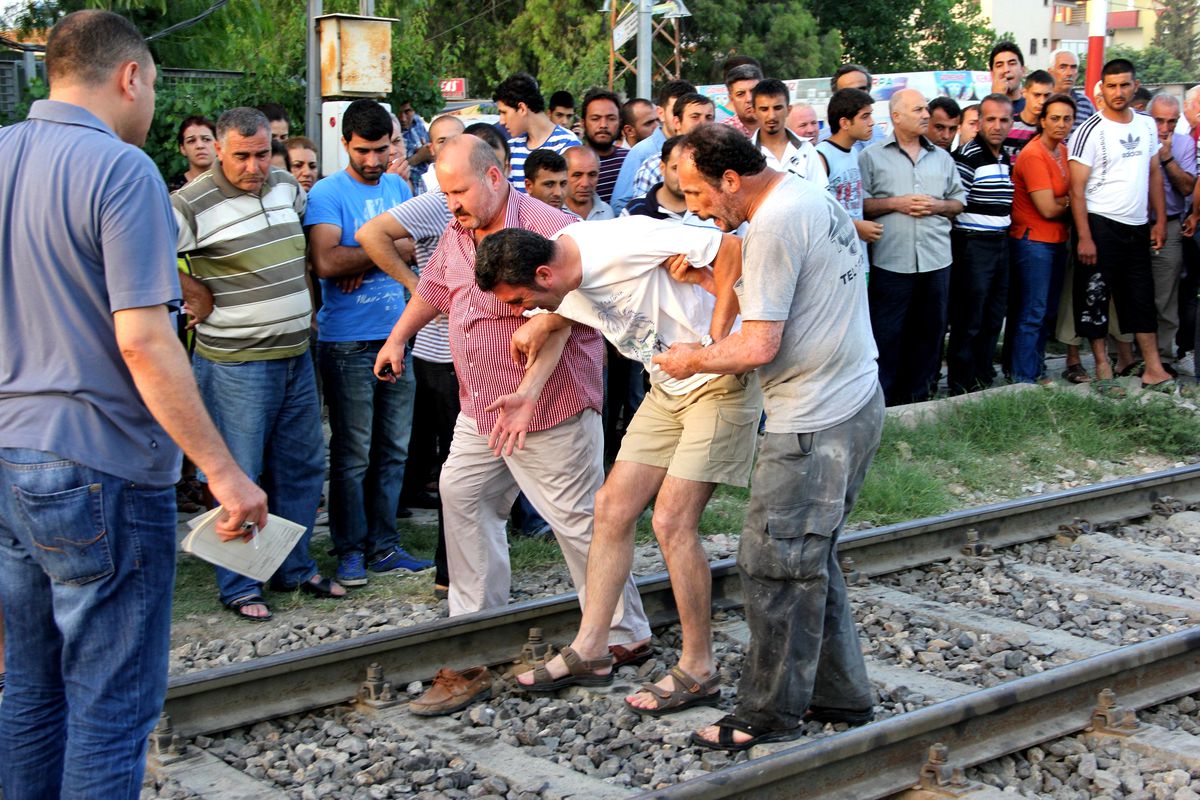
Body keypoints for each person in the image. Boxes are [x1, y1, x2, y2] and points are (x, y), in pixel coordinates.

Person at [0, 10, 267, 797]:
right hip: (101, 464)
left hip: (9, 459)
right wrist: (223, 472)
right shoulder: (121, 172)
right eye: (151, 84)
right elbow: (145, 341)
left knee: (29, 688)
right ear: (129, 77)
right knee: (111, 707)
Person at [373, 136, 650, 697]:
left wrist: (527, 391)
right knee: (464, 494)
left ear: (495, 176)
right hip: (481, 404)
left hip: (550, 407)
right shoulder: (458, 229)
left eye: (458, 189)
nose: (450, 202)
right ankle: (478, 623)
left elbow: (567, 316)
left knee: (575, 520)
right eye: (444, 191)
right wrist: (399, 337)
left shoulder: (550, 230)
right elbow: (435, 288)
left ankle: (623, 631)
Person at [651, 123, 882, 750]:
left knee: (773, 564)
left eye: (698, 194)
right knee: (809, 559)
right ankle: (840, 697)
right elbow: (787, 299)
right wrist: (711, 285)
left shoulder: (775, 224)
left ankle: (768, 714)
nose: (695, 207)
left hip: (815, 419)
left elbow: (759, 344)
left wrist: (690, 360)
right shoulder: (803, 197)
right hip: (851, 400)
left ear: (731, 179)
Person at [475, 217, 753, 715]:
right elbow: (571, 317)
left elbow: (730, 248)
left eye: (519, 301)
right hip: (667, 387)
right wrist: (528, 392)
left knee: (671, 521)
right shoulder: (564, 280)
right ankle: (591, 650)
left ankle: (699, 668)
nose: (522, 313)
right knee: (610, 508)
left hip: (716, 381)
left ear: (542, 275)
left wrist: (712, 345)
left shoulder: (617, 242)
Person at [173, 106, 345, 618]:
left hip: (295, 355)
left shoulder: (286, 187)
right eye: (242, 156)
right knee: (240, 475)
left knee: (302, 468)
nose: (253, 166)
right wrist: (190, 290)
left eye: (262, 153)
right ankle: (240, 585)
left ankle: (293, 567)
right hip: (234, 365)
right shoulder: (188, 204)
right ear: (218, 151)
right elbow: (141, 256)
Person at [305, 98, 431, 586]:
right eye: (363, 151)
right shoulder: (326, 193)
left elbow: (416, 246)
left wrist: (362, 250)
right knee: (354, 454)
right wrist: (381, 251)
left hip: (397, 336)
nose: (374, 161)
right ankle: (350, 550)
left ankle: (384, 546)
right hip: (347, 343)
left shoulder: (399, 185)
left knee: (393, 450)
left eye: (382, 149)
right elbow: (327, 263)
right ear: (345, 145)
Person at [356, 115, 478, 602]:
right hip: (441, 358)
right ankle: (451, 573)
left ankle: (462, 570)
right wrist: (414, 286)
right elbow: (371, 235)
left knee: (462, 465)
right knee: (458, 466)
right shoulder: (438, 203)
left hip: (469, 356)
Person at [1069, 59, 1172, 395]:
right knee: (1096, 294)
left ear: (1134, 85)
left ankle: (1153, 368)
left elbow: (1154, 172)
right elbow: (1076, 188)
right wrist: (1084, 235)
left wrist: (1158, 220)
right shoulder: (1089, 130)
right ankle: (1102, 367)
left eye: (1124, 85)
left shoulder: (1145, 125)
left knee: (1141, 297)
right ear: (1102, 89)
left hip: (1138, 225)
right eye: (1111, 86)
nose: (1118, 92)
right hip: (1100, 224)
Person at [860, 89, 965, 405]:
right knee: (888, 334)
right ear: (896, 116)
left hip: (936, 261)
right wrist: (896, 203)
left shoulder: (942, 158)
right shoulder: (871, 157)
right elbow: (859, 205)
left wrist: (937, 206)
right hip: (892, 262)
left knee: (930, 332)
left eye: (926, 109)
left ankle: (920, 398)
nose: (925, 115)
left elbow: (960, 202)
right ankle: (884, 402)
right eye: (918, 109)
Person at [948, 94, 1015, 395]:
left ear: (1012, 122)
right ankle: (962, 385)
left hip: (1001, 244)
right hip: (974, 246)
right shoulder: (968, 156)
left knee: (993, 316)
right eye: (991, 119)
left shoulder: (1005, 156)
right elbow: (956, 204)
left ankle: (983, 377)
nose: (997, 126)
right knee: (969, 318)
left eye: (1004, 120)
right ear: (980, 122)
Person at [1009, 93, 1076, 384]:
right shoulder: (1034, 154)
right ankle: (1024, 378)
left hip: (1055, 240)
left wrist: (1064, 199)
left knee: (1045, 311)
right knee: (1033, 312)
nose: (1061, 124)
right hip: (1033, 240)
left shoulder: (1061, 149)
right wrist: (1071, 201)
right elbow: (1047, 208)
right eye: (1055, 118)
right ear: (1042, 121)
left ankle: (1036, 371)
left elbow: (1056, 200)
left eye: (1067, 119)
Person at [1147, 94, 1197, 360]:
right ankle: (1123, 355)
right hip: (1135, 224)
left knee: (1165, 297)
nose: (1165, 129)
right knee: (1130, 292)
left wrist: (1167, 158)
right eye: (1159, 121)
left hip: (1172, 226)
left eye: (1171, 122)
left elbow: (1188, 187)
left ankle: (1163, 356)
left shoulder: (1184, 143)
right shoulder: (1138, 138)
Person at [610, 79, 696, 213]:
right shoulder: (642, 153)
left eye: (690, 114)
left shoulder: (704, 151)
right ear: (661, 113)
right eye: (676, 112)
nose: (681, 118)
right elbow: (619, 204)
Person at [817, 88, 884, 245]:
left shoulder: (854, 153)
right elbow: (817, 211)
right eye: (865, 117)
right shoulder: (821, 156)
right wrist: (855, 227)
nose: (872, 122)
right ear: (845, 123)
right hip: (835, 253)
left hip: (859, 253)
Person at [495, 72, 581, 191]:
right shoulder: (511, 147)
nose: (502, 121)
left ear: (522, 108)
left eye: (504, 112)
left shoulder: (567, 144)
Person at [629, 93, 715, 203]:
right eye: (695, 117)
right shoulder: (653, 168)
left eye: (709, 117)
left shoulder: (719, 163)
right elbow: (642, 212)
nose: (703, 123)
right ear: (677, 122)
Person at [751, 79, 827, 185]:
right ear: (754, 112)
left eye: (777, 108)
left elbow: (821, 194)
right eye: (764, 109)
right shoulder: (747, 153)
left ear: (788, 110)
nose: (772, 116)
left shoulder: (806, 149)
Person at [623, 135, 690, 221]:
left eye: (691, 168)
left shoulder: (709, 210)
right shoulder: (635, 211)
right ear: (662, 168)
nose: (683, 175)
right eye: (675, 168)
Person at [579, 88, 627, 204]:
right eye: (595, 119)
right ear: (583, 123)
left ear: (619, 122)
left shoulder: (629, 160)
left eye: (611, 119)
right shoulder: (570, 163)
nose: (603, 125)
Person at [1004, 70, 1054, 157]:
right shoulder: (1006, 124)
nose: (1042, 101)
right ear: (1024, 93)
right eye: (1037, 95)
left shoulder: (1052, 129)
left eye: (1047, 95)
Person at [1049, 49, 1095, 135]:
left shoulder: (1085, 103)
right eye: (1063, 67)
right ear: (1050, 72)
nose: (1069, 73)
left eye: (1073, 67)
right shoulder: (1042, 101)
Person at [564, 146, 614, 220]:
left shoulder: (607, 212)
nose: (585, 184)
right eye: (577, 175)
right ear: (562, 175)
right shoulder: (551, 213)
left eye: (592, 175)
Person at [169, 114, 216, 191]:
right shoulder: (173, 190)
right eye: (191, 141)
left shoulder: (233, 183)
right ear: (183, 149)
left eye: (206, 139)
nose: (200, 146)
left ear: (218, 145)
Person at [722, 62, 762, 137]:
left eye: (754, 91)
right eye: (740, 94)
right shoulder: (722, 133)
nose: (749, 99)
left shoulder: (780, 127)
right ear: (731, 99)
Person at [989, 41, 1026, 115]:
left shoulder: (1031, 109)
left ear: (1023, 70)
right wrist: (996, 98)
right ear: (992, 74)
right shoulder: (982, 111)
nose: (1006, 70)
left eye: (1012, 64)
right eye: (999, 65)